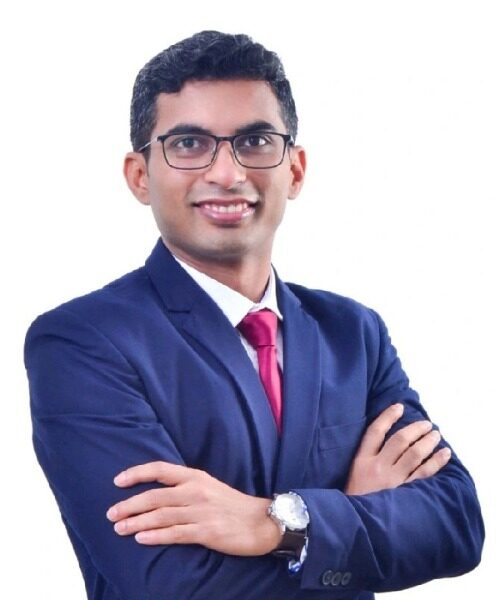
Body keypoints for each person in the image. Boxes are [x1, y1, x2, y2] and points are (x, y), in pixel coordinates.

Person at [24, 30, 484, 599]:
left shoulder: (353, 334)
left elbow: (457, 527)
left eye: (256, 141)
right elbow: (170, 586)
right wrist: (349, 515)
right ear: (140, 176)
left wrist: (274, 523)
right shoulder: (83, 342)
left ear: (295, 169)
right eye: (188, 143)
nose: (226, 173)